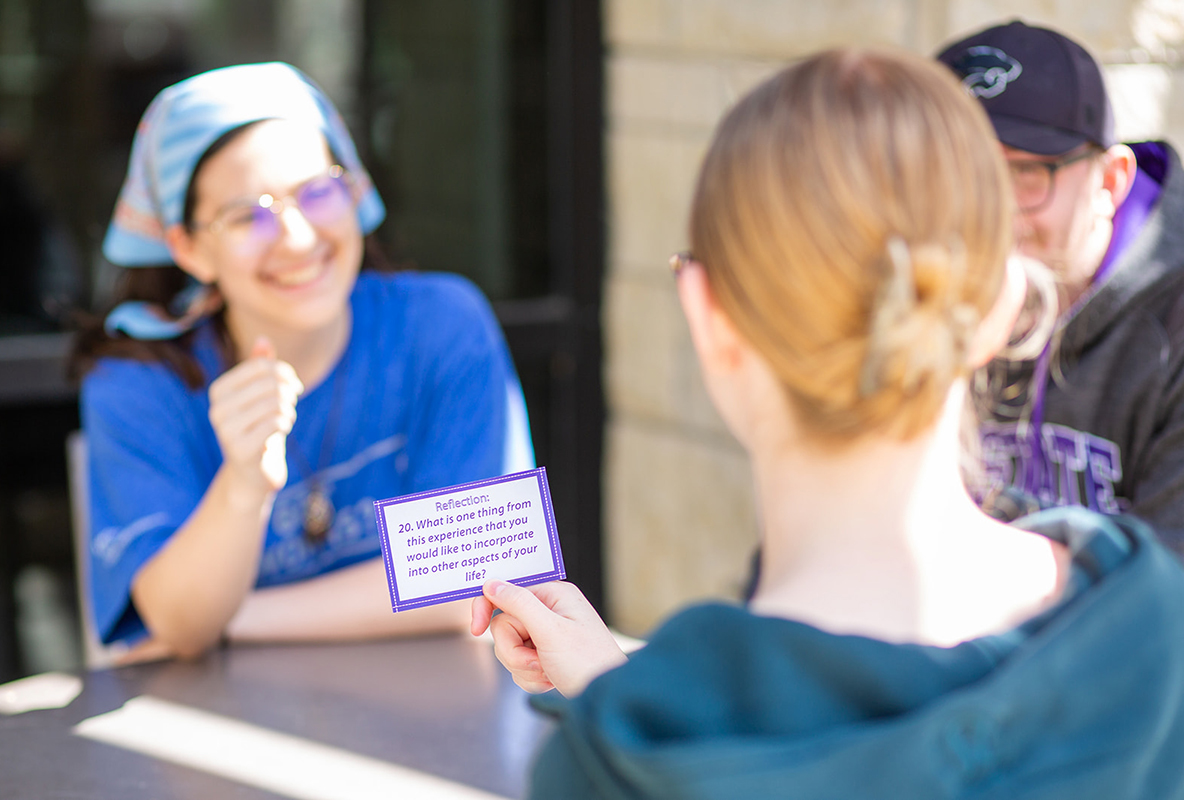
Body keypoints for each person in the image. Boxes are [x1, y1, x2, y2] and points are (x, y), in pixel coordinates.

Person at [470, 49, 1184, 797]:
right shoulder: (1148, 624)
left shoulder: (619, 765)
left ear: (708, 315)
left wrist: (622, 707)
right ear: (1000, 307)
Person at [70, 62, 534, 660]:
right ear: (187, 247)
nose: (296, 237)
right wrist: (243, 485)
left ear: (355, 191)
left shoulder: (441, 325)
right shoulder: (138, 383)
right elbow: (180, 623)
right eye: (246, 214)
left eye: (318, 190)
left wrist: (236, 619)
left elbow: (474, 585)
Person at [937, 21, 1184, 554]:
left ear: (1109, 182)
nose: (987, 217)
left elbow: (1172, 595)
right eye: (956, 175)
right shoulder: (922, 287)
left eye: (1024, 174)